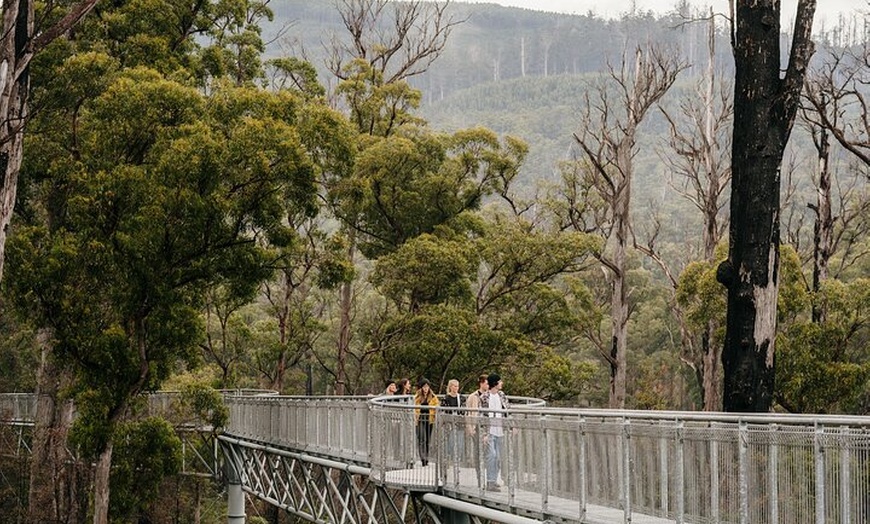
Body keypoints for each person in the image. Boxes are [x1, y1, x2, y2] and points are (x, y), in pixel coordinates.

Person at [480, 373, 509, 491]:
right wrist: (484, 433)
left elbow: (508, 410)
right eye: (499, 381)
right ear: (494, 383)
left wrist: (511, 426)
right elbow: (482, 415)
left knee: (498, 457)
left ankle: (494, 479)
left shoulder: (502, 395)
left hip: (500, 430)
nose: (501, 383)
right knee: (491, 455)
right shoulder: (484, 397)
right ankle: (490, 482)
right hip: (490, 431)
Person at [464, 374, 489, 485]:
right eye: (486, 383)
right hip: (476, 427)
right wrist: (470, 427)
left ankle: (489, 478)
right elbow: (468, 413)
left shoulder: (490, 396)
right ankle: (480, 477)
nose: (488, 386)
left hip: (487, 426)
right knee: (478, 452)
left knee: (489, 453)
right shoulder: (473, 396)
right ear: (481, 383)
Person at [414, 378, 439, 466]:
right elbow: (414, 406)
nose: (426, 388)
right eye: (424, 387)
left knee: (428, 439)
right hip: (420, 419)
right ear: (421, 387)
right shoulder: (417, 397)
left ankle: (427, 457)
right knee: (422, 439)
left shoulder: (433, 397)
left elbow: (437, 406)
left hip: (429, 419)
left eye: (427, 387)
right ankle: (423, 458)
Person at [441, 379, 464, 465]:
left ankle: (457, 459)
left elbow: (463, 410)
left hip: (459, 423)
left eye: (457, 386)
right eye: (454, 386)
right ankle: (449, 458)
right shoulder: (446, 398)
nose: (456, 388)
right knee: (450, 442)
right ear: (450, 387)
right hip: (449, 424)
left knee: (460, 443)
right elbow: (443, 411)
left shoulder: (461, 398)